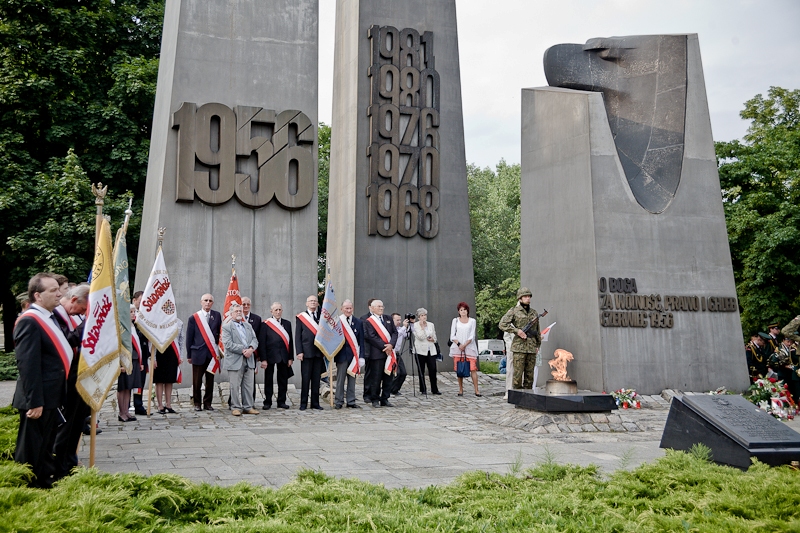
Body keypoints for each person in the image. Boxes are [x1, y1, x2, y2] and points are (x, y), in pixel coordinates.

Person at [12, 273, 70, 488]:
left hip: (50, 396)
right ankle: (28, 488)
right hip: (38, 399)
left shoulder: (48, 316)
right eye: (53, 290)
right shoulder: (30, 321)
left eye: (58, 288)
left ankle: (44, 483)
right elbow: (28, 365)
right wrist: (34, 401)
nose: (59, 293)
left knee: (45, 445)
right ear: (37, 295)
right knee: (32, 448)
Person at [499, 287, 541, 391]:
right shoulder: (514, 311)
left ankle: (528, 398)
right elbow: (502, 324)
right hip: (519, 347)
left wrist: (538, 345)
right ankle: (518, 399)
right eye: (525, 296)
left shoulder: (534, 313)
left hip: (531, 347)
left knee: (529, 377)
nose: (528, 298)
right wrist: (516, 331)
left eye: (529, 296)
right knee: (517, 376)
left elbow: (537, 330)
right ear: (520, 298)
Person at [185, 293, 222, 411]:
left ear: (213, 303)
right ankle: (197, 403)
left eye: (210, 301)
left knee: (210, 380)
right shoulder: (194, 318)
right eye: (205, 300)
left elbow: (219, 334)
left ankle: (207, 403)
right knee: (197, 380)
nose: (208, 302)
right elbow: (189, 337)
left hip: (212, 354)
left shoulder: (217, 315)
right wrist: (189, 355)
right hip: (197, 353)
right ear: (201, 302)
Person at [222, 303, 259, 416]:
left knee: (248, 385)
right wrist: (244, 350)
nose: (239, 313)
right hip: (235, 360)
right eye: (236, 311)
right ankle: (235, 407)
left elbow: (255, 339)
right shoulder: (227, 327)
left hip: (249, 359)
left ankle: (248, 406)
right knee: (235, 386)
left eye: (240, 311)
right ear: (231, 313)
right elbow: (228, 344)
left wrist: (251, 349)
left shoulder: (248, 326)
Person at [258, 302, 294, 409]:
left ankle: (281, 401)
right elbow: (262, 342)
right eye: (276, 310)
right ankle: (267, 401)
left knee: (283, 380)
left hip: (283, 356)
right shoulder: (265, 324)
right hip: (269, 356)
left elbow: (290, 341)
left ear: (282, 311)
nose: (278, 312)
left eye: (280, 310)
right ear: (271, 311)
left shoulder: (287, 324)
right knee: (268, 379)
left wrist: (290, 357)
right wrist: (263, 359)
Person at [363, 299, 398, 407]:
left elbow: (395, 333)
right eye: (378, 306)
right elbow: (371, 337)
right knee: (376, 378)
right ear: (372, 308)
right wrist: (385, 347)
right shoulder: (369, 321)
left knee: (388, 377)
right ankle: (375, 399)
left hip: (389, 353)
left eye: (382, 306)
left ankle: (385, 399)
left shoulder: (388, 318)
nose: (381, 308)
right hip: (377, 354)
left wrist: (391, 345)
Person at [296, 295, 325, 411]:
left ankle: (315, 403)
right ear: (306, 303)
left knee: (316, 380)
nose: (313, 303)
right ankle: (303, 403)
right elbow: (298, 336)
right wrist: (299, 351)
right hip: (306, 353)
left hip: (319, 352)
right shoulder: (301, 317)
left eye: (315, 301)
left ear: (318, 304)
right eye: (311, 301)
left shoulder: (322, 316)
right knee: (305, 379)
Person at [334, 299, 364, 409]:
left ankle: (351, 401)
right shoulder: (337, 321)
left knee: (352, 380)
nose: (348, 310)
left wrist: (361, 357)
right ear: (342, 309)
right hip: (341, 356)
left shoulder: (358, 322)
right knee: (340, 380)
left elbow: (361, 342)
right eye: (346, 308)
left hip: (354, 356)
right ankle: (339, 401)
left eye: (350, 308)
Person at [116, 305, 142, 422]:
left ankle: (126, 411)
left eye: (134, 311)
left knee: (129, 387)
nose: (133, 313)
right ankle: (121, 412)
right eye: (130, 312)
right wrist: (119, 364)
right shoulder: (121, 326)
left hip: (134, 359)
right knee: (122, 387)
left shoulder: (134, 326)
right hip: (124, 360)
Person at [449, 302, 480, 397]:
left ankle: (476, 389)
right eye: (461, 310)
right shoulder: (455, 320)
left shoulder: (472, 321)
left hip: (469, 347)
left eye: (465, 310)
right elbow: (452, 335)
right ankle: (460, 389)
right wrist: (459, 344)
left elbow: (472, 335)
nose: (463, 312)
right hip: (457, 347)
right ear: (459, 311)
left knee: (473, 368)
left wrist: (465, 344)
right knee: (460, 368)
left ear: (467, 311)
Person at [413, 308, 440, 395]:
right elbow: (420, 337)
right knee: (421, 370)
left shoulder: (431, 324)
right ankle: (423, 389)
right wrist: (422, 328)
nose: (424, 317)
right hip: (420, 350)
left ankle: (434, 389)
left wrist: (433, 339)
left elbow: (435, 337)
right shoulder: (415, 325)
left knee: (433, 369)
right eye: (422, 315)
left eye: (425, 315)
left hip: (430, 349)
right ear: (418, 317)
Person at [131, 291, 149, 415]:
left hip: (143, 352)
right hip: (132, 353)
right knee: (128, 382)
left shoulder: (146, 316)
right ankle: (125, 406)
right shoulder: (130, 315)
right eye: (141, 300)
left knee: (140, 381)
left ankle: (138, 404)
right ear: (135, 300)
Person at [390, 313, 411, 396]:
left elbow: (408, 335)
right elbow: (397, 335)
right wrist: (404, 327)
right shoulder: (391, 329)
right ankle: (390, 388)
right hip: (391, 353)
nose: (399, 322)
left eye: (400, 320)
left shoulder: (401, 328)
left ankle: (395, 389)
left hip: (398, 353)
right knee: (396, 373)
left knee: (403, 373)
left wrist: (410, 325)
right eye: (397, 320)